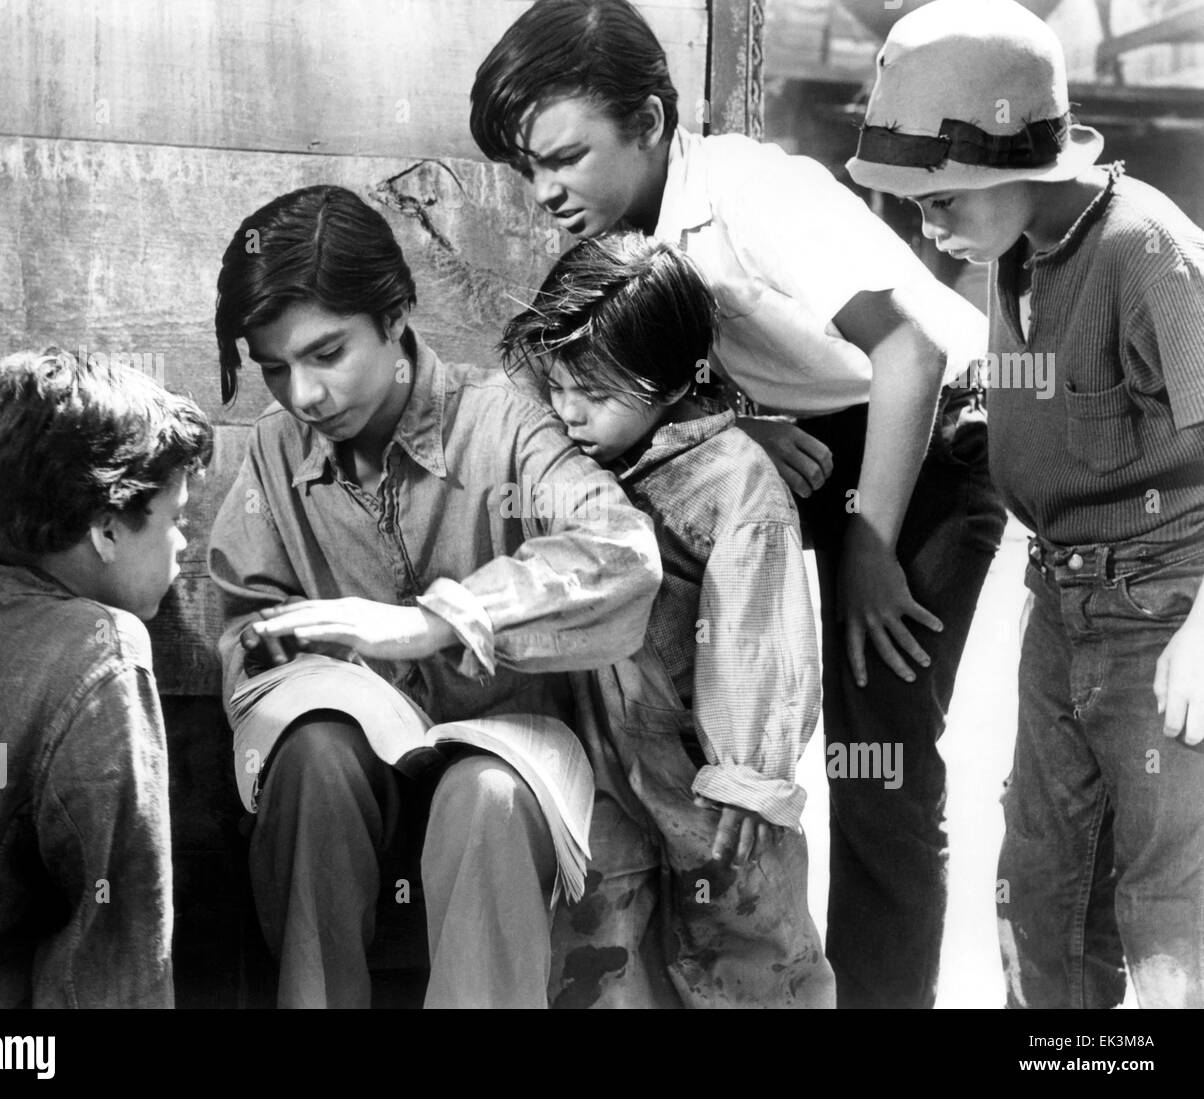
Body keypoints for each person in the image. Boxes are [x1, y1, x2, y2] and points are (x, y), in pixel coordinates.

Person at [472, 0, 1007, 1007]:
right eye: (526, 169)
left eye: (565, 157)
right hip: (802, 442)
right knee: (694, 687)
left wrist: (867, 548)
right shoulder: (620, 241)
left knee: (878, 751)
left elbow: (910, 354)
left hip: (922, 438)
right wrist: (729, 425)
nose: (545, 191)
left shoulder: (753, 191)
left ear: (648, 120)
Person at [207, 184, 663, 1009]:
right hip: (353, 773)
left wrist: (434, 624)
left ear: (395, 316)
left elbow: (622, 553)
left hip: (507, 759)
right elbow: (245, 629)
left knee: (483, 796)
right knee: (309, 760)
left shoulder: (505, 421)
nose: (303, 394)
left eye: (326, 352)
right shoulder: (275, 454)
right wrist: (318, 671)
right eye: (275, 367)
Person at [848, 0, 1204, 1010]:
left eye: (944, 202)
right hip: (1061, 609)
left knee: (1171, 915)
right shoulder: (1012, 249)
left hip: (1165, 616)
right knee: (1042, 891)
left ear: (1022, 162)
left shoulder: (1147, 253)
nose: (930, 226)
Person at [501, 231, 834, 1007]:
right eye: (559, 385)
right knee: (597, 953)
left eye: (598, 393)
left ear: (675, 379)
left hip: (707, 777)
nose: (570, 412)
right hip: (602, 766)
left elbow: (759, 628)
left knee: (752, 957)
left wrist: (748, 775)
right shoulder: (575, 461)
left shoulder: (736, 480)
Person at [0, 349, 212, 1007]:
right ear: (106, 528)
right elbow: (119, 939)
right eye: (174, 519)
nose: (184, 545)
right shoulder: (103, 650)